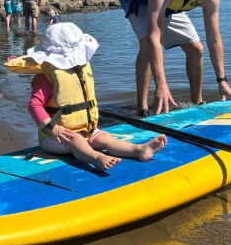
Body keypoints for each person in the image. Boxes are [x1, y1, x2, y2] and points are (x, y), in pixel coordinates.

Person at [26, 22, 167, 171]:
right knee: (77, 140)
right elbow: (34, 105)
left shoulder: (80, 70)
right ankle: (96, 158)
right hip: (54, 137)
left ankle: (139, 150)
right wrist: (53, 129)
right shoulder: (47, 78)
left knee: (105, 137)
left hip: (86, 130)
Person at [119, 0, 231, 117]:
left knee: (196, 49)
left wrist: (222, 81)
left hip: (171, 2)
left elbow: (214, 39)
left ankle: (197, 104)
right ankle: (142, 111)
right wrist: (161, 84)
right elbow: (154, 38)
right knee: (147, 46)